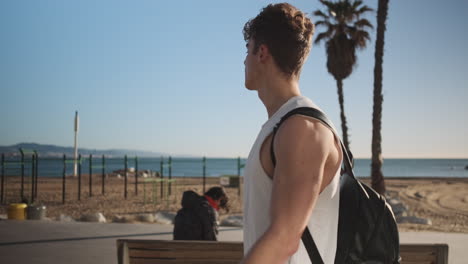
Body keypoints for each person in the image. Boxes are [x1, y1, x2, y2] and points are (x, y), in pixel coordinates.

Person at [241, 3, 343, 264]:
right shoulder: (280, 124)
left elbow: (284, 239)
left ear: (262, 52)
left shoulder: (302, 128)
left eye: (247, 50)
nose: (244, 61)